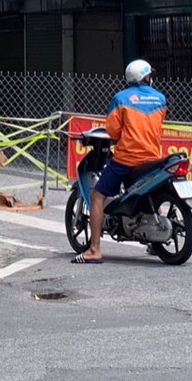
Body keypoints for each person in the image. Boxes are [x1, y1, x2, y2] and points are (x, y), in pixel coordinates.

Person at [73, 59, 167, 264]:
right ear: (145, 77)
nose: (151, 78)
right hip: (152, 157)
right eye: (149, 75)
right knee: (151, 189)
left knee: (97, 196)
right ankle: (154, 241)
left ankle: (94, 250)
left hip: (126, 159)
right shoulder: (160, 98)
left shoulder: (120, 98)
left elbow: (113, 131)